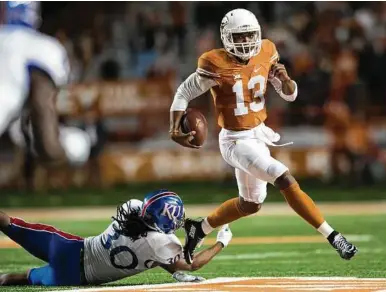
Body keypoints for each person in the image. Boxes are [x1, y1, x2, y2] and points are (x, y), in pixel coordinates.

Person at [169, 8, 358, 265]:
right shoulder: (215, 62)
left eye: (249, 36)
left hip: (258, 136)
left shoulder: (267, 51)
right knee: (283, 177)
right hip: (235, 140)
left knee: (251, 204)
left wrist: (285, 79)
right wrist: (174, 127)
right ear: (226, 38)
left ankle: (199, 229)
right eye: (240, 37)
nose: (246, 42)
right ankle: (333, 236)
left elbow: (290, 94)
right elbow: (183, 92)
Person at [0, 189, 232, 286]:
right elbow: (193, 263)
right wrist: (222, 241)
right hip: (75, 276)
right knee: (17, 279)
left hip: (68, 248)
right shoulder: (164, 244)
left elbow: (153, 247)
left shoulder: (133, 207)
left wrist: (174, 269)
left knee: (10, 224)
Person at [0, 1, 90, 166]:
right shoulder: (44, 48)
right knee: (75, 144)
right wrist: (54, 149)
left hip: (11, 119)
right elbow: (42, 105)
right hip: (13, 117)